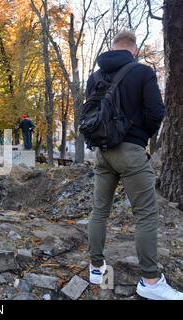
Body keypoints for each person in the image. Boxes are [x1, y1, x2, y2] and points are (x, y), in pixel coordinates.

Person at [86, 29, 182, 300]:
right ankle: (151, 281)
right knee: (145, 214)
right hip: (130, 150)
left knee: (99, 210)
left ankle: (96, 267)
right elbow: (156, 112)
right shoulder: (141, 72)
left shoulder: (95, 76)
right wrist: (140, 137)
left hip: (102, 153)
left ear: (113, 48)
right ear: (134, 50)